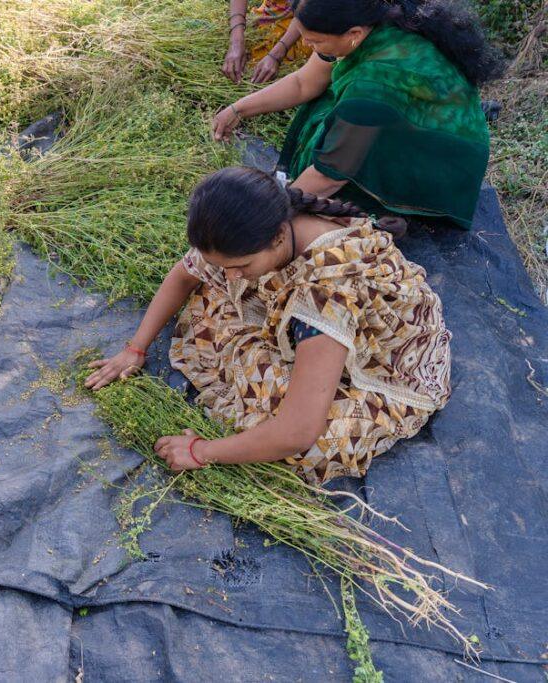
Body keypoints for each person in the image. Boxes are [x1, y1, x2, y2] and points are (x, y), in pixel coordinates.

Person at [85, 167, 452, 484]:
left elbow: (297, 432)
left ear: (278, 238)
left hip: (388, 371)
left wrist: (202, 451)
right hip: (328, 327)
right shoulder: (265, 218)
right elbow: (186, 273)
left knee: (316, 444)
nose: (228, 276)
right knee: (217, 304)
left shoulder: (325, 294)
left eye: (240, 265)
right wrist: (135, 348)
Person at [213, 0, 504, 229]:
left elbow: (330, 176)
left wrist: (267, 214)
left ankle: (400, 200)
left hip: (443, 158)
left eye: (315, 42)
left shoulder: (372, 85)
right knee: (325, 112)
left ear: (353, 34)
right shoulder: (369, 20)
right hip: (411, 121)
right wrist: (238, 109)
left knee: (330, 182)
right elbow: (305, 82)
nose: (309, 47)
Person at [223, 0, 312, 84]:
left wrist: (276, 56)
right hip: (273, 10)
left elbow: (310, 7)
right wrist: (236, 41)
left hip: (309, 18)